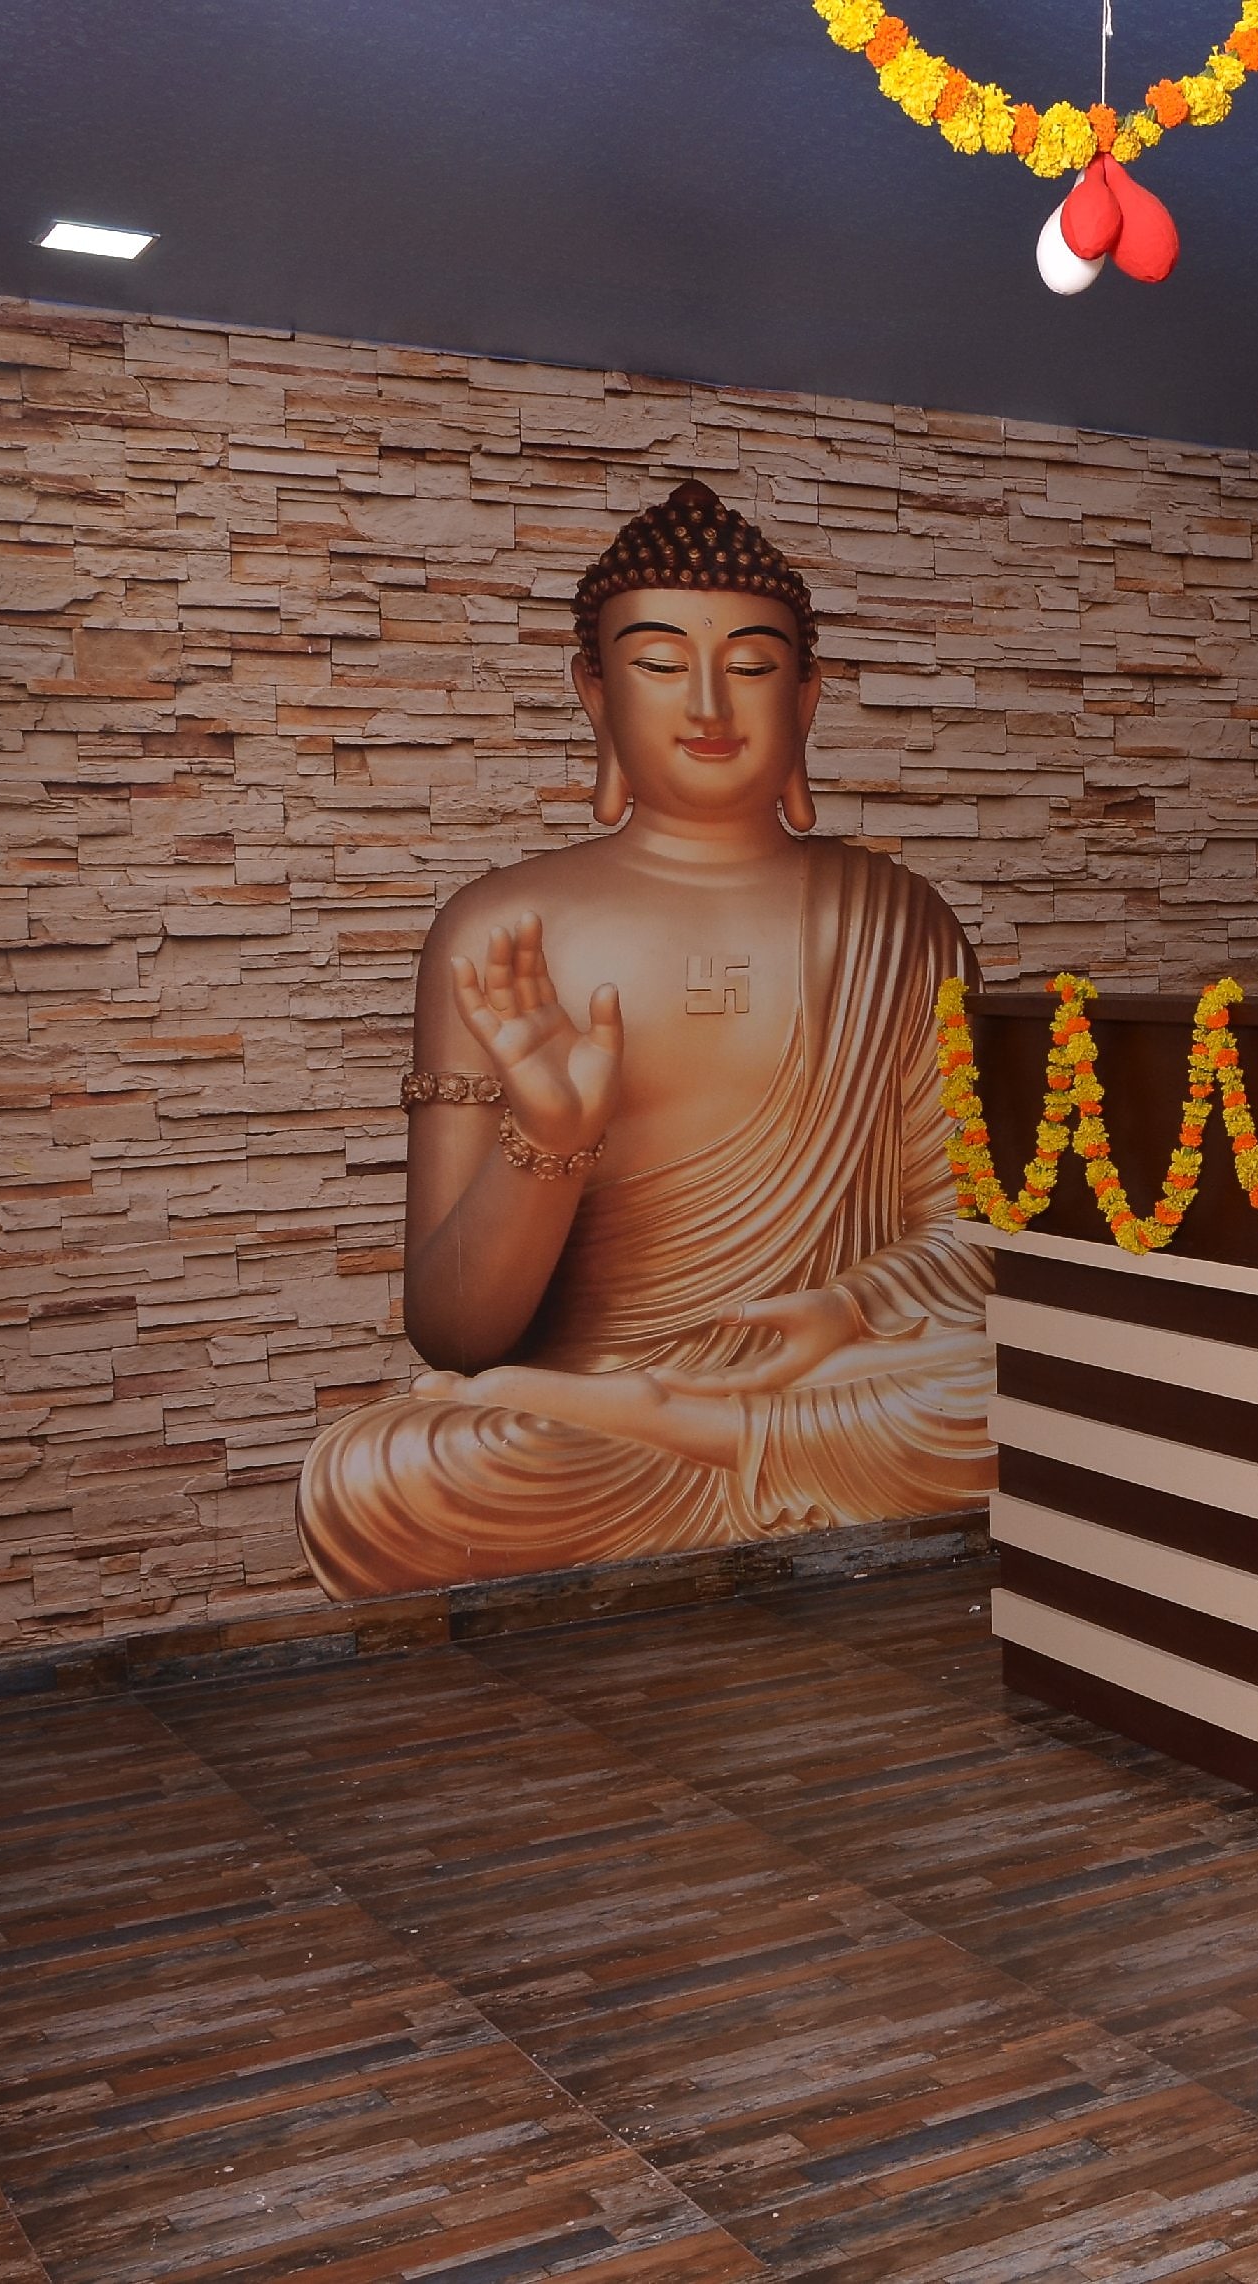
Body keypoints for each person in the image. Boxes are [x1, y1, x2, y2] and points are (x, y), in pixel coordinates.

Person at [297, 480, 994, 1598]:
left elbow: (971, 1231)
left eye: (752, 666)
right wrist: (548, 1140)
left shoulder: (897, 921)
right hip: (585, 1415)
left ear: (807, 697)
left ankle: (702, 1428)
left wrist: (849, 1307)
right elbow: (456, 1336)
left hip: (833, 1382)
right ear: (595, 690)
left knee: (1022, 1392)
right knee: (378, 1476)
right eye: (662, 663)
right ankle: (681, 1426)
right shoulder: (499, 927)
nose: (709, 704)